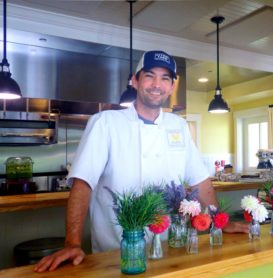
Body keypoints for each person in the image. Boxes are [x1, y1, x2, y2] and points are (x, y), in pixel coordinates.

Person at [34, 50, 248, 272]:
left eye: (165, 78)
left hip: (169, 249)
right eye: (149, 75)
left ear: (172, 87)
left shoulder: (179, 126)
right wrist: (72, 243)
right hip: (116, 253)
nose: (157, 84)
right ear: (135, 81)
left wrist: (219, 222)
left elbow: (200, 181)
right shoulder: (105, 123)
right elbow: (83, 183)